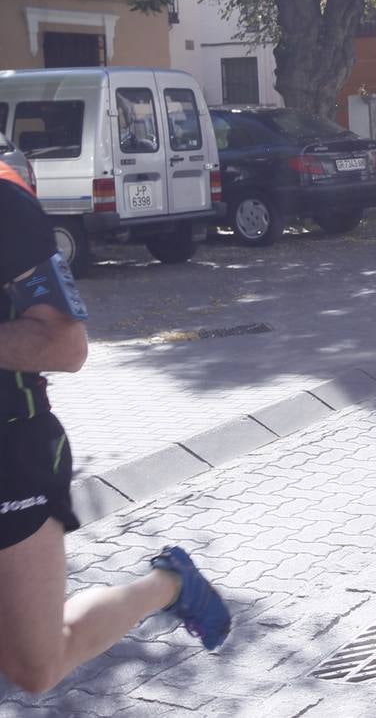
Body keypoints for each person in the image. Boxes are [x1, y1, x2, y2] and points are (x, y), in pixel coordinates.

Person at [0, 163, 230, 696]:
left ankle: (170, 584)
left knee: (35, 666)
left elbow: (65, 346)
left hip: (10, 452)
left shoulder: (5, 204)